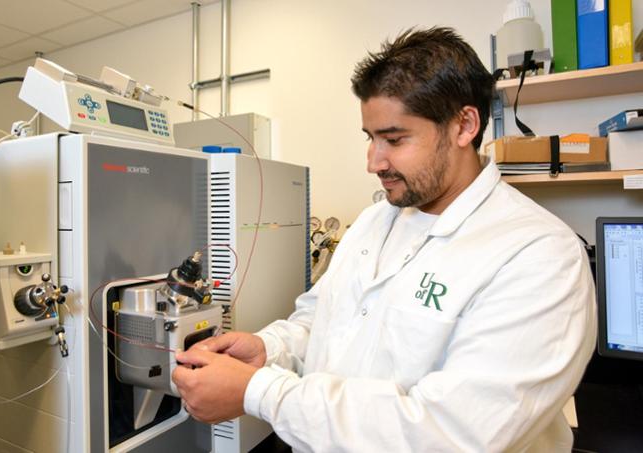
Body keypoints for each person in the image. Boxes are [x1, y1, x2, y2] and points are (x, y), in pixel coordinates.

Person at [172, 27, 597, 452]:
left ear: (464, 125)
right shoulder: (376, 220)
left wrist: (258, 392)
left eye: (394, 139)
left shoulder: (539, 255)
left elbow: (449, 436)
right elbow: (320, 323)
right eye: (370, 138)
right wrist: (269, 348)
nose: (373, 162)